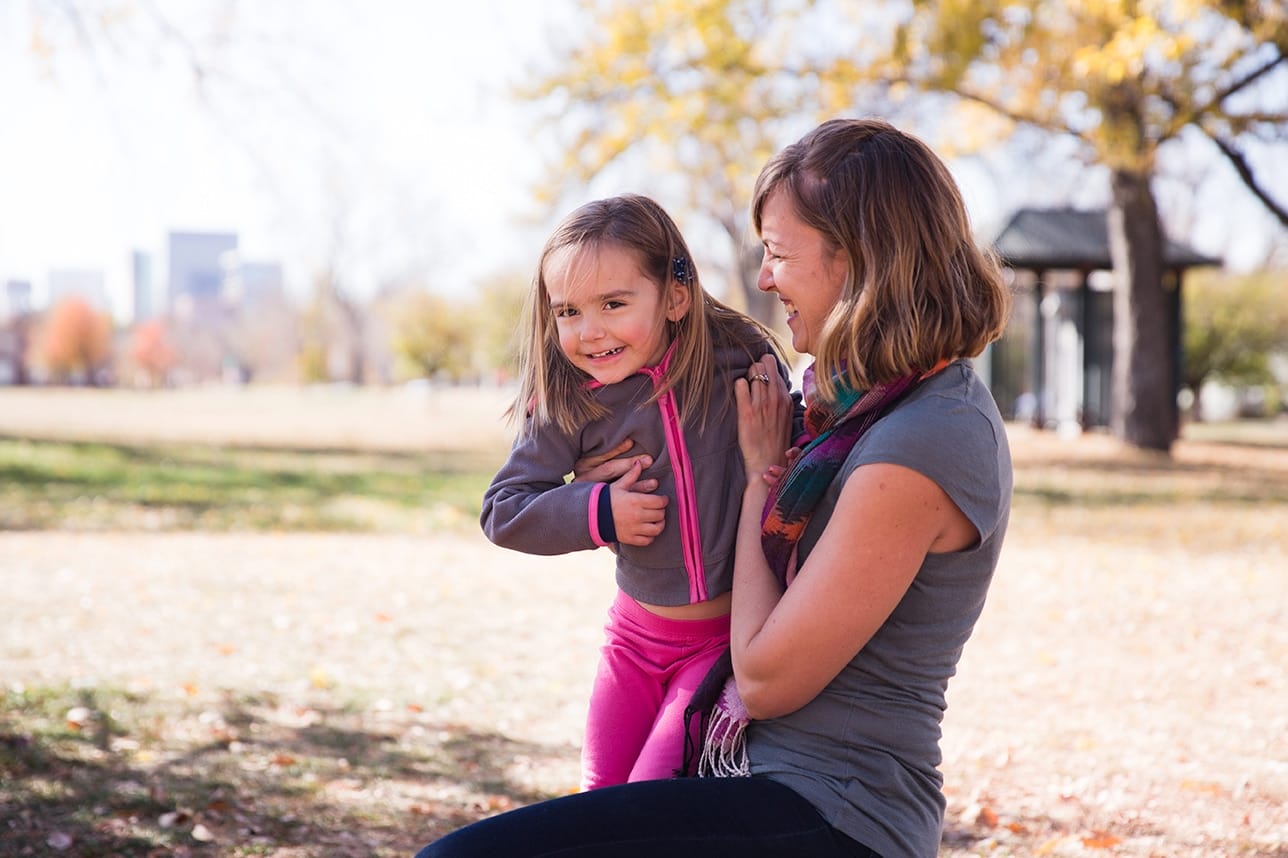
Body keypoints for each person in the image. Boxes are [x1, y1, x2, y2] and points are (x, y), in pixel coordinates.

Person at [418, 117, 1013, 858]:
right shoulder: (853, 408)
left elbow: (762, 679)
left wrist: (760, 476)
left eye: (779, 253)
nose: (762, 278)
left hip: (831, 808)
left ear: (861, 259)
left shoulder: (923, 438)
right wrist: (594, 497)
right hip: (747, 765)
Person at [480, 193, 793, 790]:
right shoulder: (570, 400)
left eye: (613, 304)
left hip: (720, 644)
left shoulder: (739, 362)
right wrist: (598, 509)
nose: (588, 331)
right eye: (568, 311)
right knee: (598, 799)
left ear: (675, 297)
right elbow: (505, 509)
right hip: (632, 642)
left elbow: (794, 438)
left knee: (648, 800)